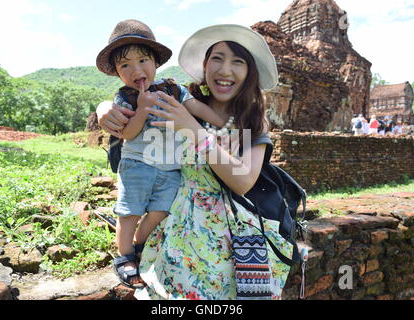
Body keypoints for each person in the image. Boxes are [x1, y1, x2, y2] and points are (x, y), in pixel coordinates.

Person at [98, 24, 295, 300]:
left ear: (249, 72)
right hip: (175, 227)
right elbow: (132, 118)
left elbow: (242, 180)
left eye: (237, 62)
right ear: (205, 65)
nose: (225, 70)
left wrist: (193, 129)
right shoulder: (184, 100)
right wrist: (104, 108)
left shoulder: (249, 120)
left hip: (231, 238)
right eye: (217, 59)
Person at [95, 19, 225, 289]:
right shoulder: (124, 98)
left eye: (143, 60)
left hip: (171, 169)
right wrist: (142, 109)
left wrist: (227, 122)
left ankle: (140, 246)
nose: (136, 70)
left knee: (160, 212)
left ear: (155, 63)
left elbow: (200, 111)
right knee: (129, 213)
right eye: (125, 65)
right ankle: (124, 257)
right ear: (118, 73)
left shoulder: (174, 90)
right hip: (137, 164)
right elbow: (128, 134)